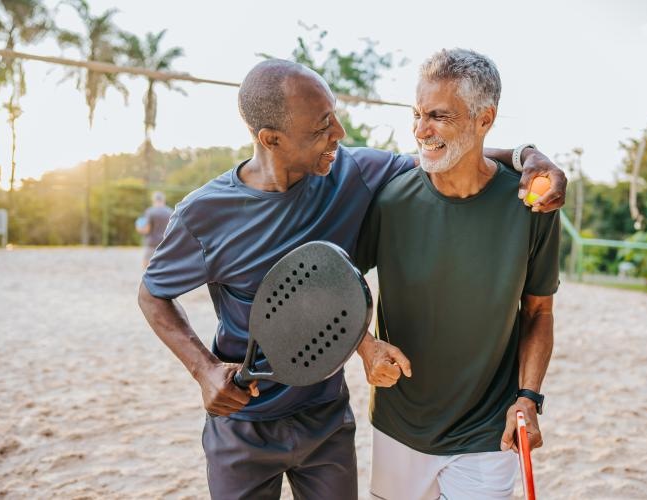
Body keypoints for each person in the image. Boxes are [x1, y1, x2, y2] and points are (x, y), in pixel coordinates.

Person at [137, 58, 565, 499]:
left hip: (325, 417)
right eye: (323, 126)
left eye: (334, 116)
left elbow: (448, 155)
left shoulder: (353, 172)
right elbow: (153, 295)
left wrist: (529, 157)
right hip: (243, 422)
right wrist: (203, 369)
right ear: (272, 139)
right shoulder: (205, 213)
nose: (339, 133)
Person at [355, 49, 560, 500]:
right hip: (398, 425)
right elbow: (341, 282)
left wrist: (529, 397)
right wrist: (365, 347)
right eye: (417, 113)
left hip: (489, 430)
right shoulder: (390, 199)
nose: (420, 130)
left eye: (438, 116)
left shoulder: (532, 205)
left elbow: (539, 311)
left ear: (484, 119)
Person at [136, 191, 174, 268]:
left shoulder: (150, 211)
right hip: (165, 242)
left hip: (151, 243)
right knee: (164, 266)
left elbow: (146, 229)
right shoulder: (171, 212)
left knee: (146, 265)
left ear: (153, 200)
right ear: (164, 200)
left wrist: (138, 228)